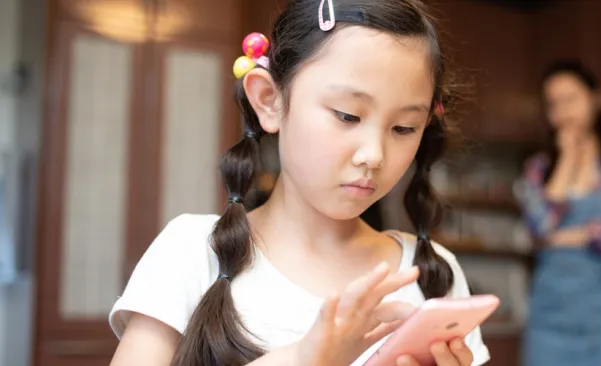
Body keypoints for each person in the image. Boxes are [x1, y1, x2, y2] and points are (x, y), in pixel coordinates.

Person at [107, 1, 489, 365]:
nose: (373, 154)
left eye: (404, 127)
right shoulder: (192, 252)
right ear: (270, 99)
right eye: (347, 115)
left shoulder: (433, 273)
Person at [514, 60, 601, 366]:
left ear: (597, 98)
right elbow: (539, 227)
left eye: (571, 99)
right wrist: (568, 160)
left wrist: (560, 238)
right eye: (554, 104)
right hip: (548, 318)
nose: (563, 112)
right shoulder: (539, 168)